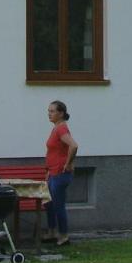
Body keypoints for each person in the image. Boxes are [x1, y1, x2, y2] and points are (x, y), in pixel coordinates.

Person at [43, 100, 78, 247]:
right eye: (48, 111)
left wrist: (68, 163)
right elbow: (54, 151)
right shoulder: (56, 128)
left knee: (58, 205)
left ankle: (63, 236)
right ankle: (52, 232)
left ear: (61, 113)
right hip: (53, 172)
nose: (49, 114)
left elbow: (74, 145)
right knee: (49, 204)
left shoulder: (61, 129)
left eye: (52, 111)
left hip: (60, 173)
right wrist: (48, 171)